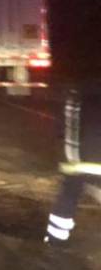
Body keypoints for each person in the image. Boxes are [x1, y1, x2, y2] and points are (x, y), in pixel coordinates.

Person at [45, 88, 101, 244]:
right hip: (94, 164)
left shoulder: (73, 98)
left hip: (75, 161)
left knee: (68, 194)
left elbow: (60, 131)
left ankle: (54, 240)